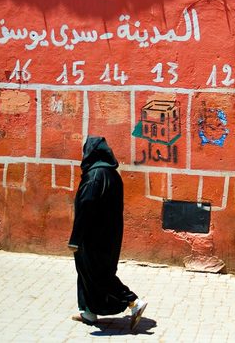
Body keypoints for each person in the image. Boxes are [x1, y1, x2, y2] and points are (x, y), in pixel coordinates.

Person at [68, 136, 147, 330]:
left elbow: (86, 207)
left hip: (93, 236)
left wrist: (75, 239)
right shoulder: (112, 174)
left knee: (98, 274)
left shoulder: (95, 176)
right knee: (87, 272)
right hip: (109, 235)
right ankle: (89, 312)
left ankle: (133, 302)